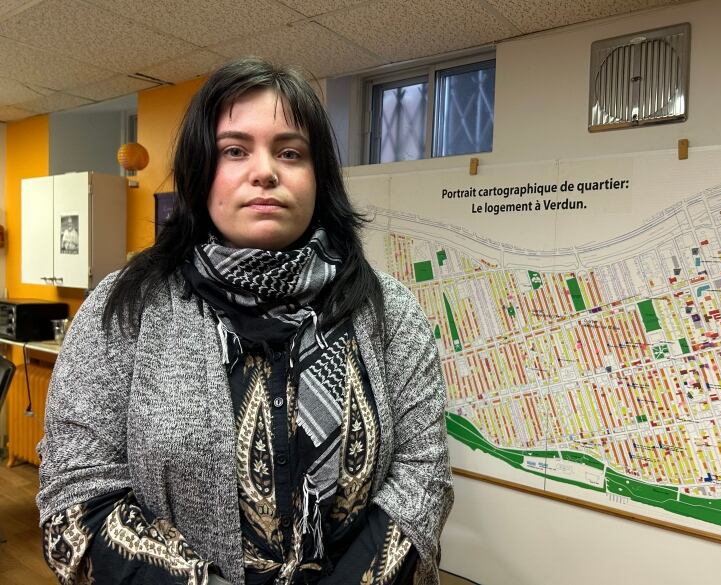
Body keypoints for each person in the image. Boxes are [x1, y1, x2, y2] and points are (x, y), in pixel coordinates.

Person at [36, 58, 453, 585]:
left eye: (290, 152)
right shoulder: (123, 308)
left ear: (318, 177)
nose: (265, 171)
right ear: (200, 171)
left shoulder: (389, 311)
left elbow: (423, 476)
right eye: (235, 150)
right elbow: (77, 498)